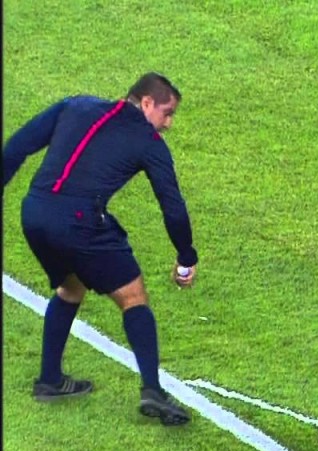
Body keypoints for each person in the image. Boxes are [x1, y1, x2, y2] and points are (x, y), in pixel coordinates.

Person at [3, 72, 198, 426]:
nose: (168, 124)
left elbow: (17, 146)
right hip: (78, 221)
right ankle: (153, 390)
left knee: (72, 286)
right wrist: (186, 256)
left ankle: (49, 380)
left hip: (34, 212)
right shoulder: (148, 141)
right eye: (167, 113)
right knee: (133, 296)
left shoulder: (75, 105)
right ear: (147, 102)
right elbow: (172, 205)